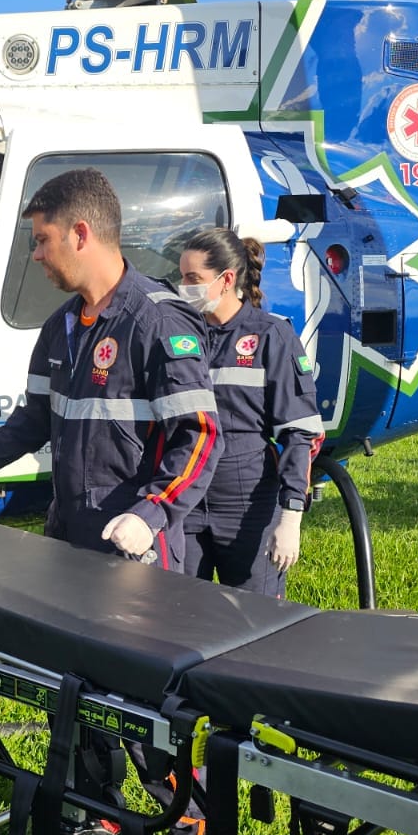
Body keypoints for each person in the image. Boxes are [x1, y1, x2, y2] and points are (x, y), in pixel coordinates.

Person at [0, 166, 221, 835]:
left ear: (81, 233)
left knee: (156, 723)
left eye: (43, 238)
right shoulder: (59, 328)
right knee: (81, 705)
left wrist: (150, 515)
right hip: (71, 553)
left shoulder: (157, 320)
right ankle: (99, 828)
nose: (36, 254)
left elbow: (202, 439)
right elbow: (30, 423)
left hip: (143, 564)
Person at [175, 229, 323, 597]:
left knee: (254, 626)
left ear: (226, 280)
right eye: (181, 277)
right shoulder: (178, 335)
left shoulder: (270, 336)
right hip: (186, 503)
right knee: (179, 618)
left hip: (247, 509)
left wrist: (291, 516)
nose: (183, 287)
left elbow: (299, 432)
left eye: (193, 279)